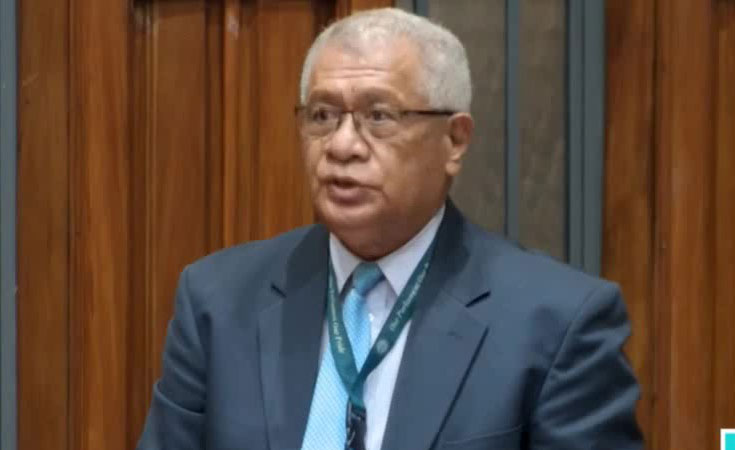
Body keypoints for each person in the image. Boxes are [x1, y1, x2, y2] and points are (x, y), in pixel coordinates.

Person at [137, 8, 642, 450]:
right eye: (322, 115)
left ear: (455, 140)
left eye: (378, 116)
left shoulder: (557, 324)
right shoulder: (219, 302)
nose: (342, 146)